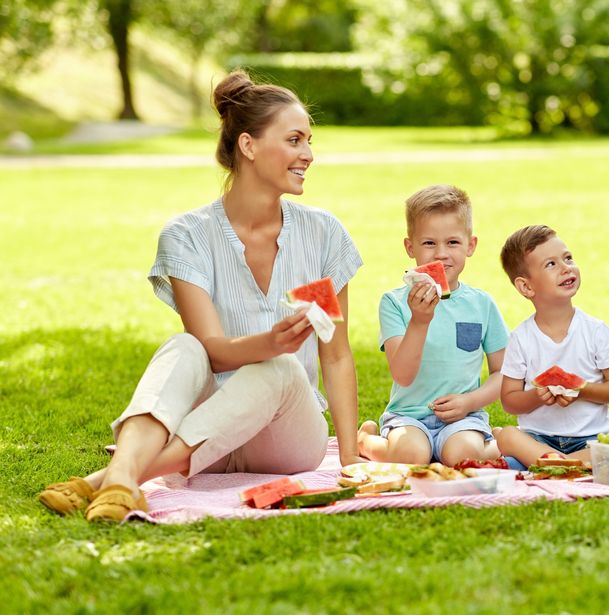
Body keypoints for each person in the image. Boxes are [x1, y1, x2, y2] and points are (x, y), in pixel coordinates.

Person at [38, 71, 364, 522]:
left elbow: (336, 356)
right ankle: (122, 481)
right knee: (183, 345)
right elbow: (210, 353)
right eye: (293, 140)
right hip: (210, 426)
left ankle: (111, 478)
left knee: (283, 367)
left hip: (286, 438)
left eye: (309, 141)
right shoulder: (187, 236)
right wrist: (270, 341)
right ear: (248, 146)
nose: (307, 155)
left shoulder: (323, 235)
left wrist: (349, 459)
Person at [357, 185, 507, 465]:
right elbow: (402, 375)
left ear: (470, 245)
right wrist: (419, 320)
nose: (440, 254)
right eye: (429, 243)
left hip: (464, 417)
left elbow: (504, 373)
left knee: (463, 457)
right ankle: (366, 438)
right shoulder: (394, 302)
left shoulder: (482, 304)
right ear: (409, 247)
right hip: (408, 416)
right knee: (411, 456)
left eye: (452, 243)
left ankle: (495, 441)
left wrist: (470, 402)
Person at [496, 225, 609, 466]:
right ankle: (572, 464)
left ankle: (556, 465)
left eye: (568, 258)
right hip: (538, 438)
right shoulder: (521, 337)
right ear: (526, 287)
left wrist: (581, 389)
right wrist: (539, 396)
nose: (566, 267)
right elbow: (509, 401)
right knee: (508, 436)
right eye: (551, 264)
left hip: (591, 437)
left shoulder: (595, 330)